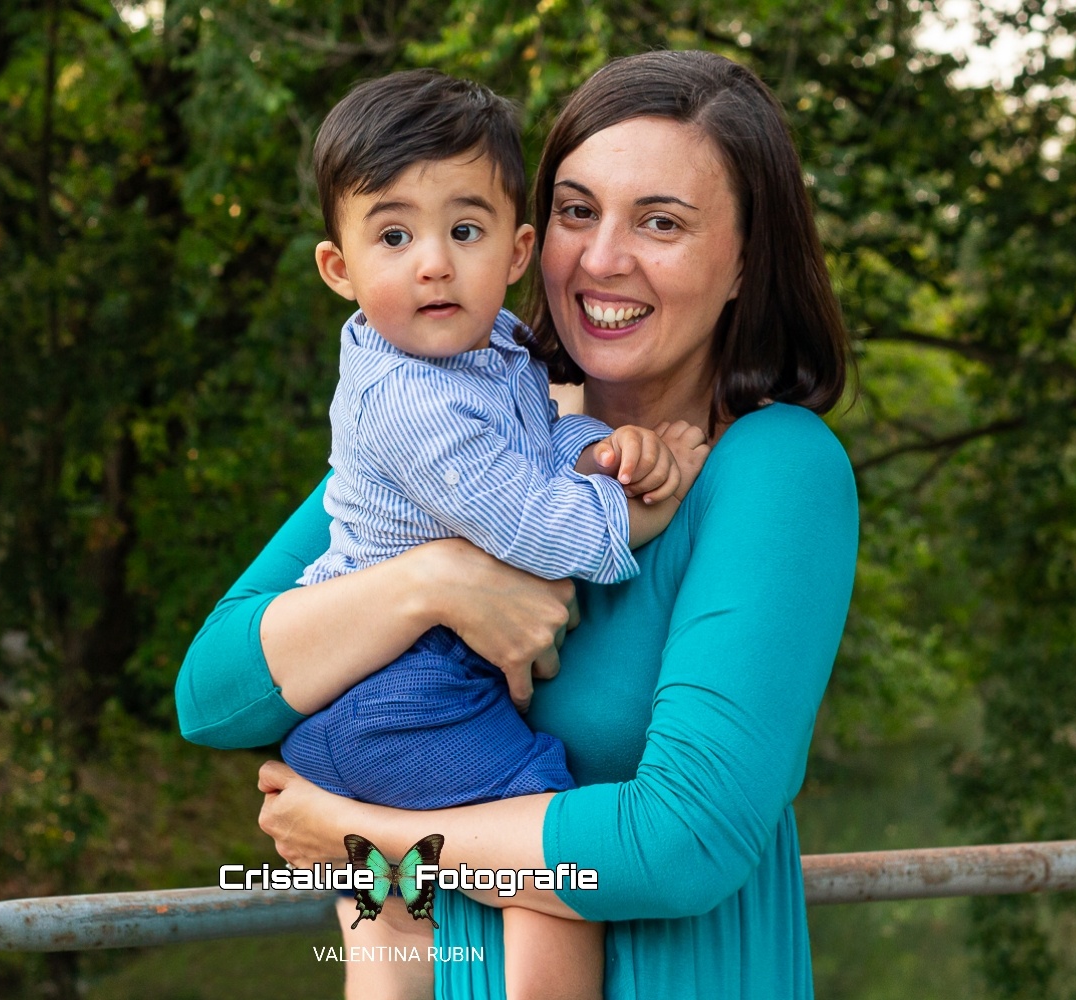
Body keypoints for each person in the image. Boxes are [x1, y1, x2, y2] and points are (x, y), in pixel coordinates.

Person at [177, 48, 858, 1000]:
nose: (603, 258)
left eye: (660, 222)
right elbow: (215, 695)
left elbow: (682, 846)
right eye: (579, 211)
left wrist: (365, 840)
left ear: (748, 258)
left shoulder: (774, 467)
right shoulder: (452, 430)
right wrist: (436, 583)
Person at [272, 68, 709, 1000]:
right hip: (406, 693)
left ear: (515, 251)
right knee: (550, 850)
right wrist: (644, 508)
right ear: (338, 268)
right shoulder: (410, 402)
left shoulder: (487, 350)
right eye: (395, 236)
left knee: (393, 932)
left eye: (463, 232)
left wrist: (603, 450)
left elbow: (539, 443)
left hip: (378, 694)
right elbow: (533, 528)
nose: (434, 263)